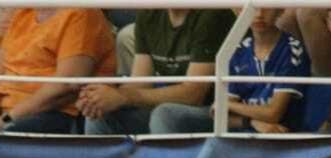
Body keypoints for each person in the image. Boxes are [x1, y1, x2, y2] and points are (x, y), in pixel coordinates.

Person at [147, 8, 309, 133]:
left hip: (277, 135)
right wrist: (251, 121)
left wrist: (229, 106)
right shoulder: (236, 50)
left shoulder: (292, 49)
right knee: (165, 114)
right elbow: (218, 112)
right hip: (242, 131)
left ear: (280, 9)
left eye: (266, 6)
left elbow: (273, 114)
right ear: (239, 11)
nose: (259, 13)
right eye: (252, 7)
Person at [78, 7, 233, 136]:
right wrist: (101, 97)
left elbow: (193, 95)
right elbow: (140, 83)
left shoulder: (212, 14)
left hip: (218, 111)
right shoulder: (149, 14)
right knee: (100, 110)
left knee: (165, 115)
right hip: (174, 106)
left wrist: (122, 96)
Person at [0, 6, 116, 135]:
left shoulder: (82, 13)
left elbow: (65, 86)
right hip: (3, 115)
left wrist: (3, 121)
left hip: (52, 114)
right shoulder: (23, 12)